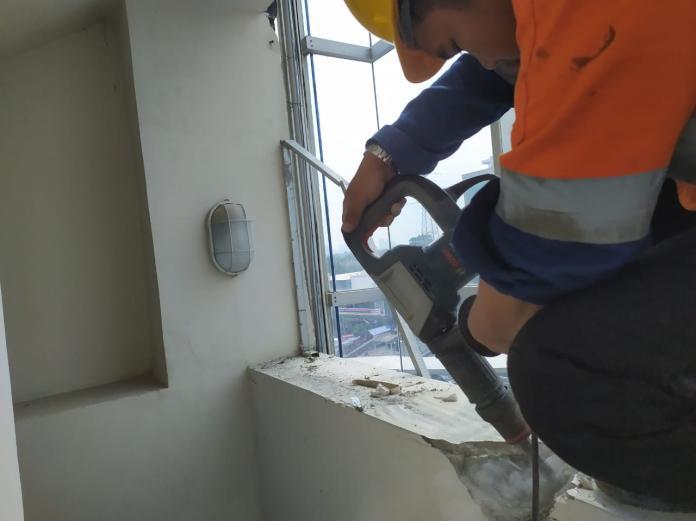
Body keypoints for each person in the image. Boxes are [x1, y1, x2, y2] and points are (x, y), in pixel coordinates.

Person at [342, 0, 696, 508]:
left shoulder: (590, 19)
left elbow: (558, 246)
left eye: (454, 45)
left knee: (554, 371)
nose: (483, 60)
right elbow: (497, 67)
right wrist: (391, 152)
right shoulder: (546, 17)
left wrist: (476, 327)